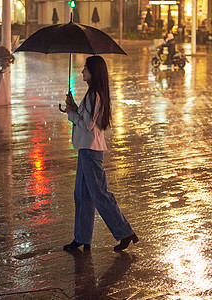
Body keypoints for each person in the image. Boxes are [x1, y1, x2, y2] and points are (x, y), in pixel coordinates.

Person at [63, 56, 139, 252]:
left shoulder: (94, 95)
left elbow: (87, 125)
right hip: (85, 149)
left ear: (93, 72)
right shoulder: (93, 94)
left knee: (100, 194)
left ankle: (125, 232)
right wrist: (73, 107)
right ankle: (81, 237)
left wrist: (71, 114)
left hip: (91, 150)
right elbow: (87, 118)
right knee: (81, 194)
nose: (82, 72)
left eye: (85, 69)